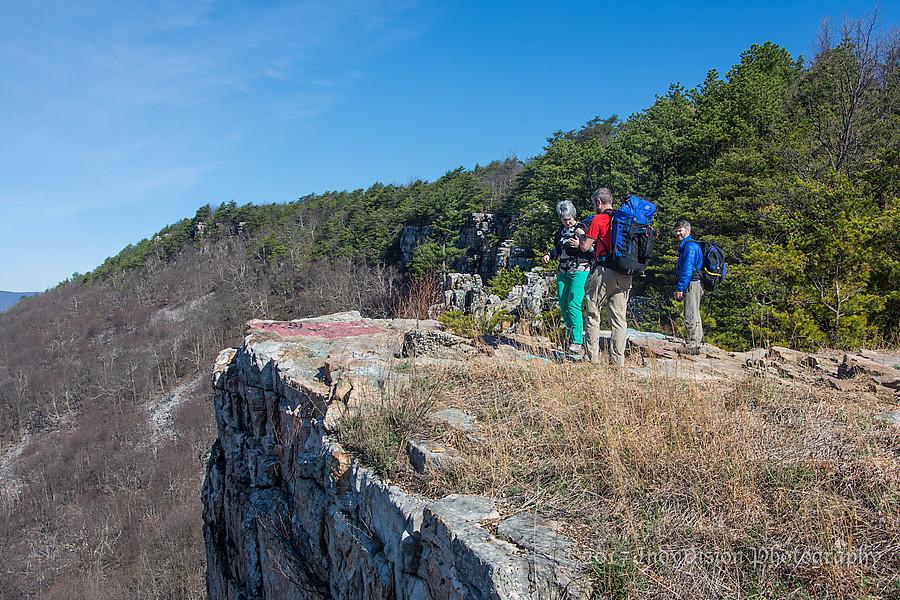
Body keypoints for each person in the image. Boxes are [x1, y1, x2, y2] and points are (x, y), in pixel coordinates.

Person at [579, 188, 632, 367]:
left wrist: (580, 236)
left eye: (594, 203)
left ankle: (591, 360)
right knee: (619, 320)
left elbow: (586, 247)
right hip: (624, 274)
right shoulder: (622, 219)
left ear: (599, 202)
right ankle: (617, 363)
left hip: (604, 271)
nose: (594, 206)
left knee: (593, 314)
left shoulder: (599, 219)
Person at [541, 200, 593, 355]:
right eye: (564, 219)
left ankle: (578, 341)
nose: (568, 221)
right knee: (564, 306)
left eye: (569, 218)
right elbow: (557, 247)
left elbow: (591, 247)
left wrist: (580, 244)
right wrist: (549, 255)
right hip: (563, 271)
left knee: (573, 303)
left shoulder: (582, 228)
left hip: (580, 270)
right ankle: (571, 339)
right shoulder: (560, 231)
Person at [673, 218, 704, 355]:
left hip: (692, 283)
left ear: (688, 231)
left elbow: (687, 270)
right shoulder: (689, 246)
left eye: (680, 231)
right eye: (676, 231)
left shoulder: (690, 247)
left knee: (690, 312)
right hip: (695, 283)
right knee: (694, 312)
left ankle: (693, 344)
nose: (678, 233)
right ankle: (697, 341)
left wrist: (680, 288)